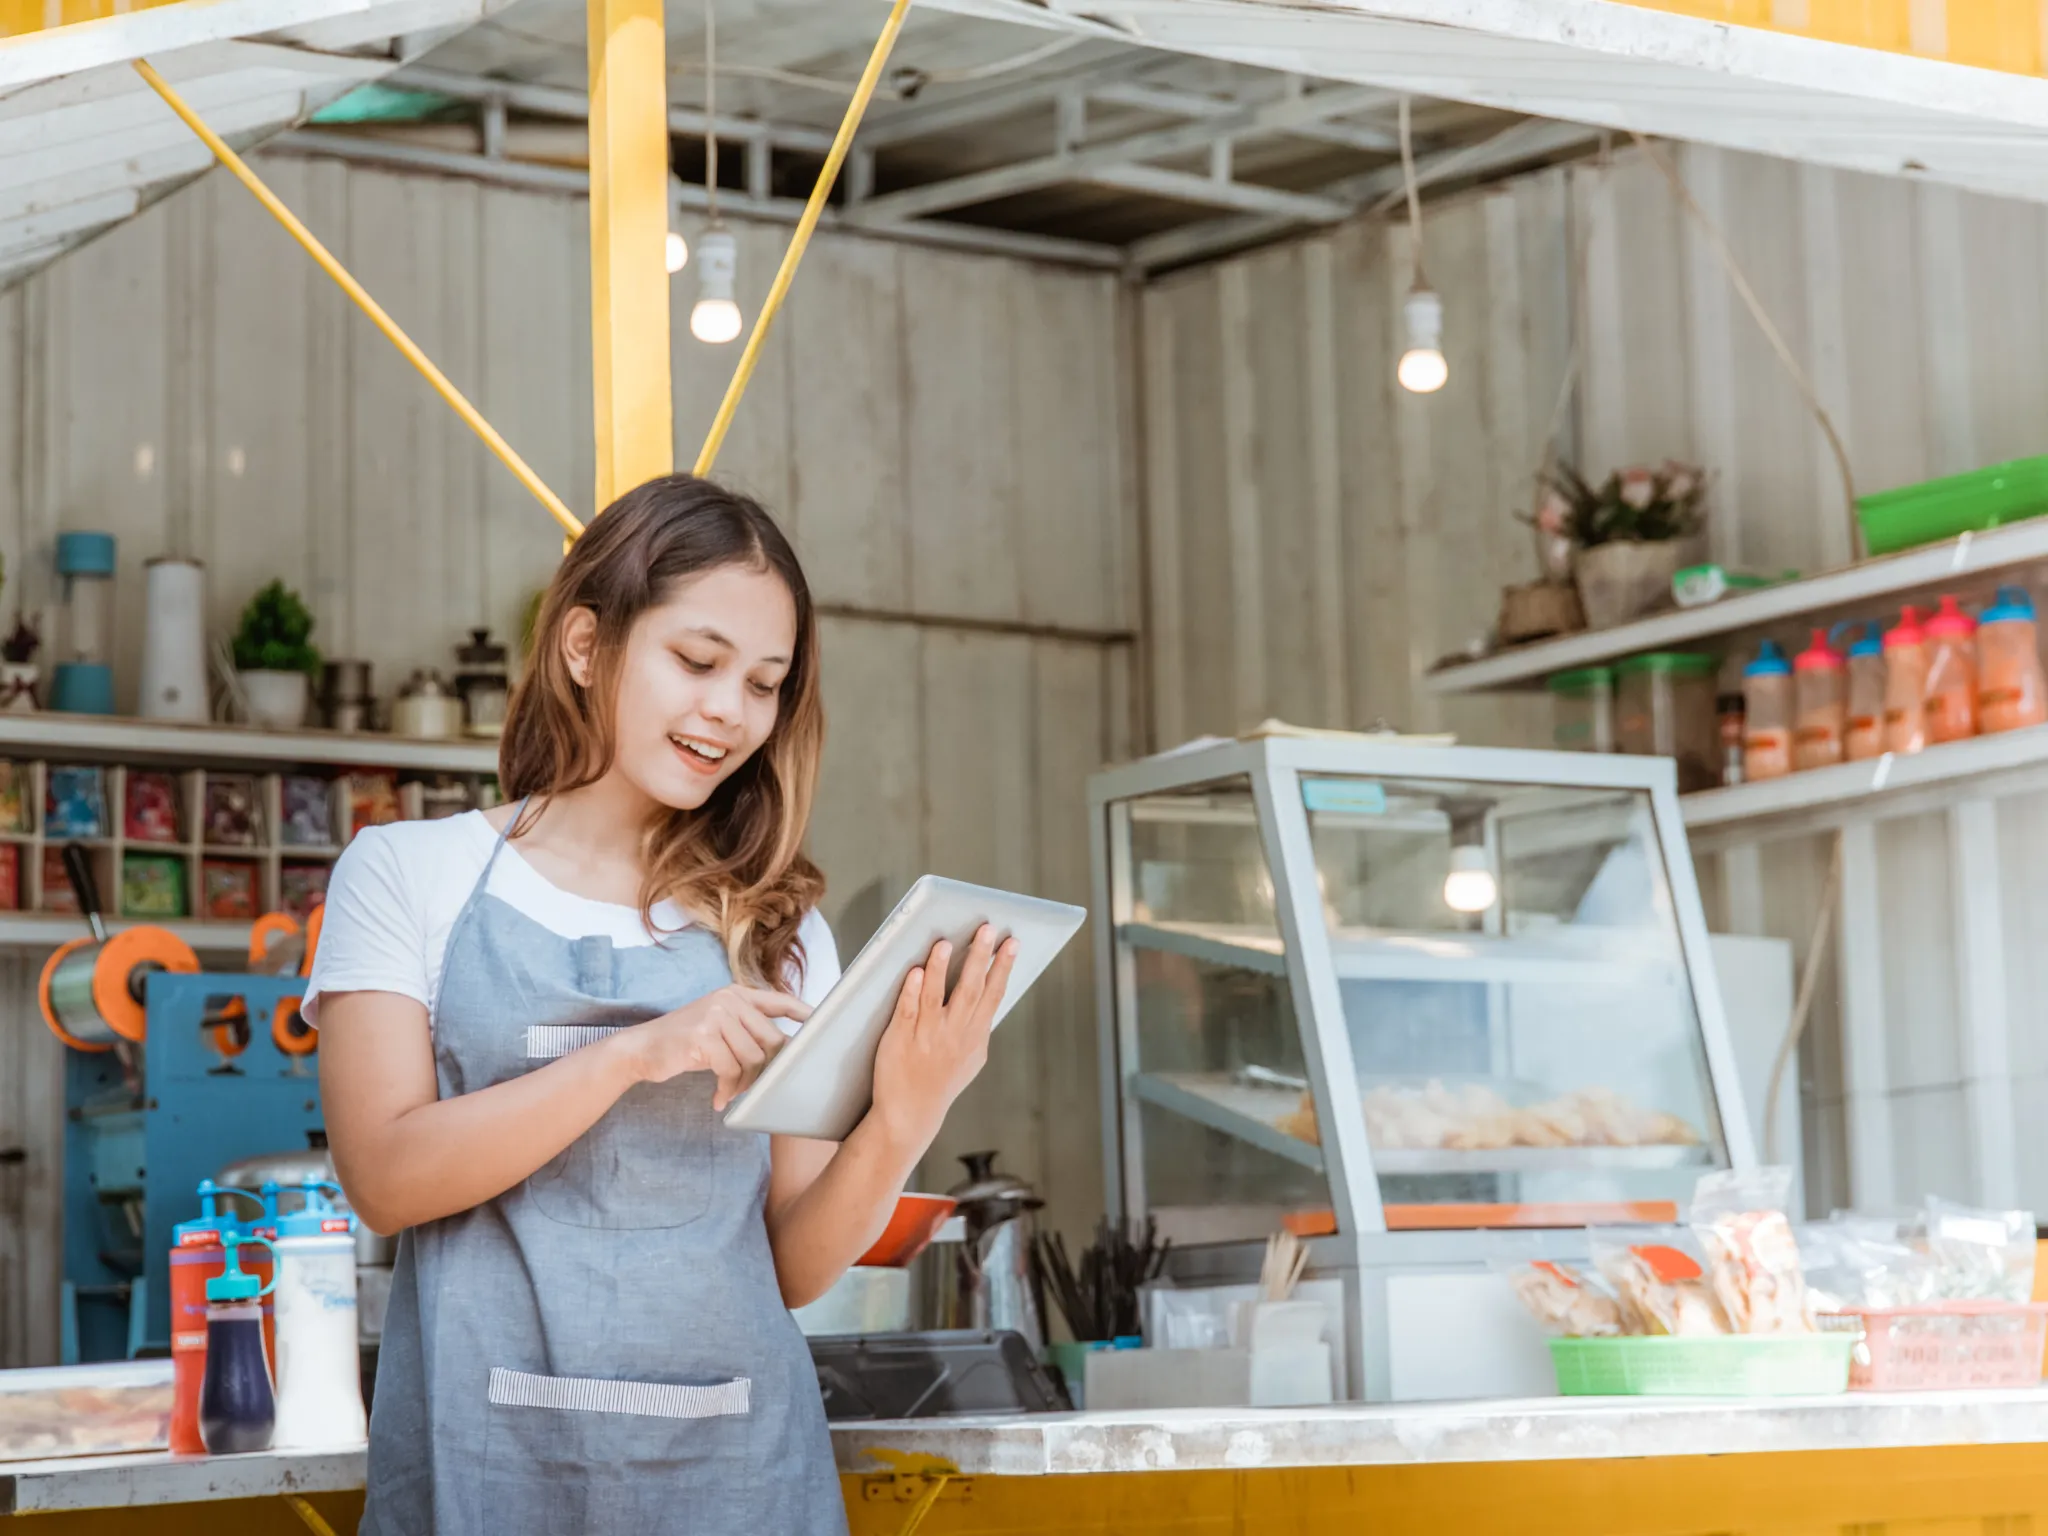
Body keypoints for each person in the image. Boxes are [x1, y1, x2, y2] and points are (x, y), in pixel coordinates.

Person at [308, 474, 1016, 1535]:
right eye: (697, 661)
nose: (730, 710)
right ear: (584, 646)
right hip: (487, 1474)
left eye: (765, 684)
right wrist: (635, 1055)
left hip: (742, 1481)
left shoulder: (780, 931)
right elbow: (384, 1177)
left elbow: (794, 1267)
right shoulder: (409, 874)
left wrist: (907, 1113)